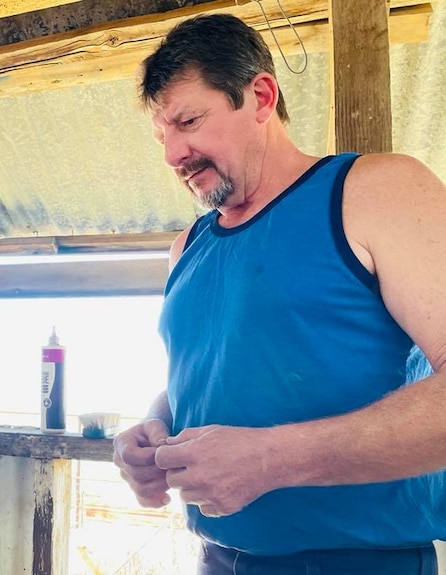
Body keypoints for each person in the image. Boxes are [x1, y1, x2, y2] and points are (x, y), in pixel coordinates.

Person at [112, 13, 446, 575]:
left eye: (188, 120)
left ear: (260, 96)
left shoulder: (375, 189)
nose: (172, 154)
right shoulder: (186, 247)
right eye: (160, 134)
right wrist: (153, 430)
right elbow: (209, 378)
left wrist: (272, 459)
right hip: (216, 559)